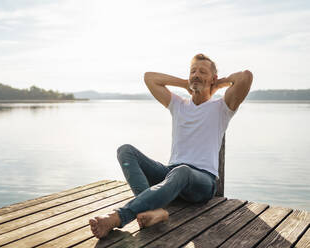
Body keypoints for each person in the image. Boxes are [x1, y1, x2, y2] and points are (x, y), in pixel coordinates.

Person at [89, 53, 253, 239]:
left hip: (203, 182)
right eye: (193, 71)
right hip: (171, 175)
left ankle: (118, 217)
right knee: (125, 151)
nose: (196, 74)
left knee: (182, 171)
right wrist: (185, 83)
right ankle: (154, 211)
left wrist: (219, 84)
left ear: (213, 78)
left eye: (202, 72)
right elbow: (149, 77)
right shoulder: (178, 105)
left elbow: (245, 76)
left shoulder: (222, 107)